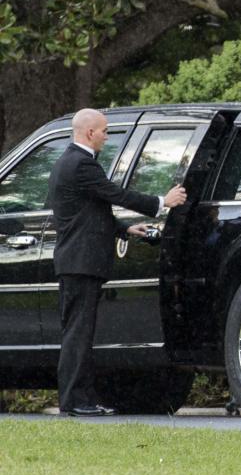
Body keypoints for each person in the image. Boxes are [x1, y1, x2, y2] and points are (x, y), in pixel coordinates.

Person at [48, 108, 187, 416]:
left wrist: (125, 228)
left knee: (80, 333)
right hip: (80, 263)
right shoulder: (81, 164)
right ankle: (74, 401)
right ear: (89, 133)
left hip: (77, 262)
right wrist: (162, 202)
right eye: (104, 132)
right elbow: (115, 194)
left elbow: (89, 211)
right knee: (77, 335)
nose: (107, 137)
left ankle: (81, 398)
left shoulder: (70, 163)